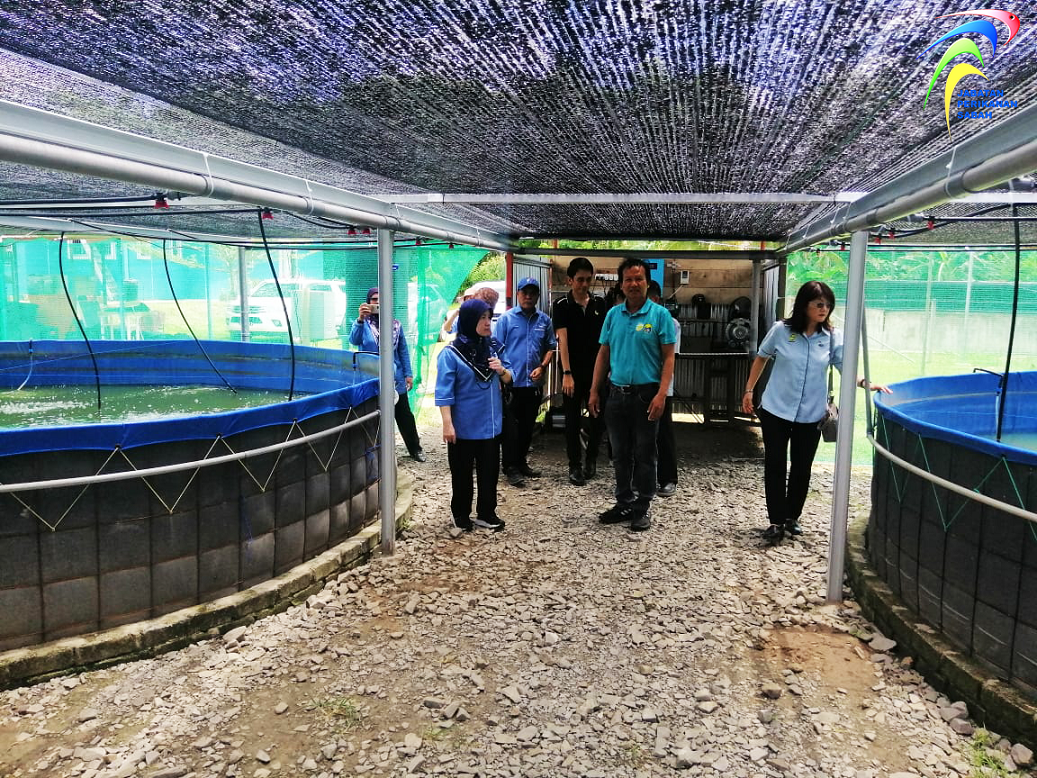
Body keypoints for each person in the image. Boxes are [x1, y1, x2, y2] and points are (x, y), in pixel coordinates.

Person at [741, 280, 890, 545]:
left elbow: (844, 366)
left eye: (828, 305)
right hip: (776, 410)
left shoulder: (832, 336)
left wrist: (865, 383)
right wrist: (749, 390)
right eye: (819, 304)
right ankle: (776, 522)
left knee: (802, 468)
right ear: (804, 305)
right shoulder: (781, 330)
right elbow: (762, 356)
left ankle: (792, 516)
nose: (824, 309)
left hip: (811, 414)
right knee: (775, 465)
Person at [589, 258, 676, 532]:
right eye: (628, 279)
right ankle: (624, 502)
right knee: (619, 454)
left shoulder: (660, 316)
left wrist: (662, 394)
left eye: (639, 279)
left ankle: (642, 507)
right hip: (616, 395)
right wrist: (594, 390)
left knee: (645, 453)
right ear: (621, 284)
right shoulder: (613, 315)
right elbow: (603, 354)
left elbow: (669, 358)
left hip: (646, 396)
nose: (634, 284)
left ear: (647, 283)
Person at [435, 299, 512, 532]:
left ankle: (487, 513)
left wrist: (501, 370)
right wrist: (447, 424)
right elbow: (444, 392)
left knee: (490, 473)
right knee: (462, 474)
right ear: (469, 321)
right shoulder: (451, 354)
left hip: (490, 426)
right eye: (482, 318)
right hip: (463, 427)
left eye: (489, 317)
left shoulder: (494, 348)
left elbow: (511, 377)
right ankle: (460, 514)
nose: (488, 323)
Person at [348, 287, 425, 462]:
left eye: (381, 299)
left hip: (395, 378)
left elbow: (403, 350)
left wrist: (408, 374)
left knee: (404, 414)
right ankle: (374, 452)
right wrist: (360, 319)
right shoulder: (363, 324)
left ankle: (415, 449)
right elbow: (354, 340)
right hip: (370, 378)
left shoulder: (395, 324)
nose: (378, 302)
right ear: (368, 302)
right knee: (372, 415)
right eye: (374, 299)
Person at [494, 276, 557, 487]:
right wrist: (503, 375)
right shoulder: (506, 320)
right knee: (510, 429)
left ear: (538, 296)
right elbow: (496, 348)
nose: (528, 296)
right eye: (524, 292)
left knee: (528, 426)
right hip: (512, 384)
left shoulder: (544, 321)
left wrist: (543, 366)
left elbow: (550, 347)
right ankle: (509, 467)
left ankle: (521, 462)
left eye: (532, 293)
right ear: (518, 294)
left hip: (533, 385)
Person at [552, 257, 608, 486]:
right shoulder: (561, 305)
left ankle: (591, 459)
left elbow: (605, 341)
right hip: (572, 371)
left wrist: (605, 372)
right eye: (580, 280)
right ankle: (574, 465)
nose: (584, 284)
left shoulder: (600, 304)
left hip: (596, 371)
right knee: (572, 420)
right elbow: (562, 340)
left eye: (588, 279)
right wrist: (567, 373)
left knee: (597, 418)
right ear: (570, 280)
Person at [647, 280, 680, 497]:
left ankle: (668, 478)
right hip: (640, 386)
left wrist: (663, 389)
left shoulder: (670, 322)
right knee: (640, 435)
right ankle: (642, 478)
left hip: (661, 386)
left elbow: (670, 357)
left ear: (656, 299)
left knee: (664, 433)